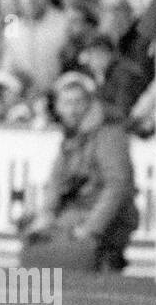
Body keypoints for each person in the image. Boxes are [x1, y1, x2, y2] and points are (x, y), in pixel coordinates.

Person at [17, 72, 139, 273]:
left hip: (105, 215)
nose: (72, 109)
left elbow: (117, 186)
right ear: (58, 106)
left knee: (63, 251)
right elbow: (56, 181)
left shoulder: (108, 134)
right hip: (76, 211)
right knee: (31, 228)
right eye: (67, 103)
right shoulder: (72, 136)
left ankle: (105, 261)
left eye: (78, 102)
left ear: (89, 103)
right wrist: (46, 213)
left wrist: (91, 228)